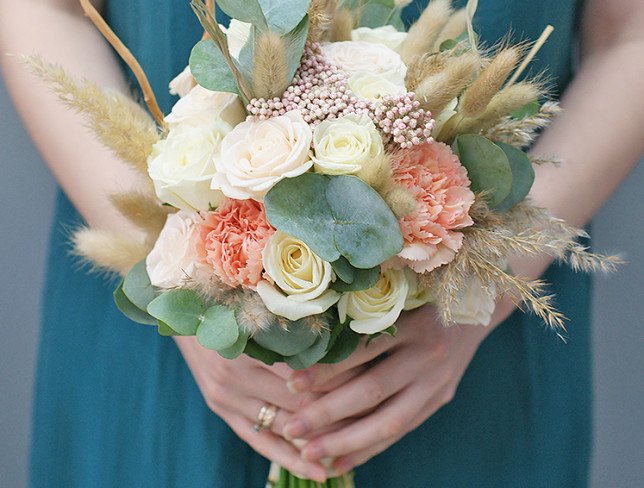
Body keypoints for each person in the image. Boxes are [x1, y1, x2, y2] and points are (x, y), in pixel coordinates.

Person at [1, 0, 642, 486]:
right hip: (156, 363)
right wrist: (183, 273)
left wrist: (480, 289)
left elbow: (629, 35)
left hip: (473, 356)